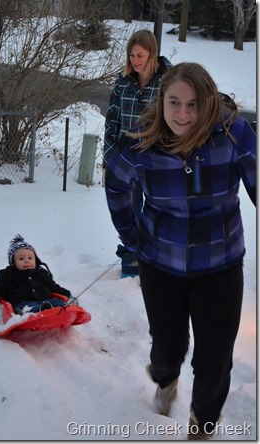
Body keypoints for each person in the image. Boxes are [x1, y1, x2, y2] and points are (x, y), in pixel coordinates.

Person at [104, 62, 256, 439]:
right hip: (160, 262)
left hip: (220, 263)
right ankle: (165, 379)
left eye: (193, 104)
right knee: (167, 349)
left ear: (207, 104)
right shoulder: (140, 137)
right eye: (174, 102)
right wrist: (132, 236)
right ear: (162, 101)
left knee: (215, 357)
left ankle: (203, 423)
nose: (183, 114)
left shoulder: (234, 133)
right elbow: (116, 185)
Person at [103, 29, 171, 278]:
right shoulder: (123, 82)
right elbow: (112, 121)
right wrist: (109, 159)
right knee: (129, 212)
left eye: (140, 55)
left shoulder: (169, 81)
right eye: (131, 55)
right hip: (125, 162)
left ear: (152, 54)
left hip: (157, 160)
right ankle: (132, 263)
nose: (135, 60)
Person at [0, 234, 75, 314]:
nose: (27, 261)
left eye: (30, 258)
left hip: (45, 302)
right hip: (22, 305)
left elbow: (53, 287)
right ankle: (41, 312)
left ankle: (63, 309)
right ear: (13, 262)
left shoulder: (41, 272)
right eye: (21, 259)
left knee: (58, 303)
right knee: (28, 308)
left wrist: (67, 295)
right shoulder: (8, 274)